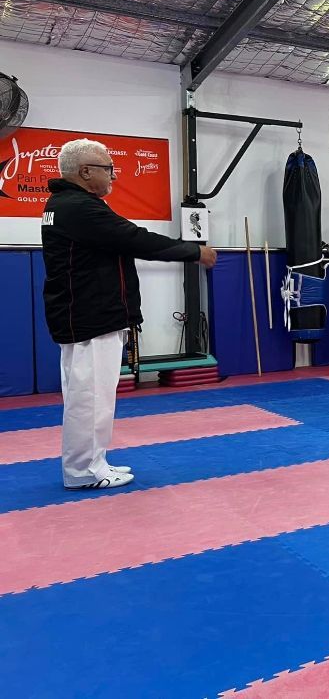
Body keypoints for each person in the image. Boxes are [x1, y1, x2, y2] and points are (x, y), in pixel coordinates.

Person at [42, 138, 217, 490]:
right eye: (108, 169)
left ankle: (92, 462)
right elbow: (135, 239)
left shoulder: (69, 205)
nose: (113, 177)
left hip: (88, 314)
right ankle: (82, 470)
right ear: (86, 171)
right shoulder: (79, 208)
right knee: (89, 398)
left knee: (92, 396)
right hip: (90, 317)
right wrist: (193, 252)